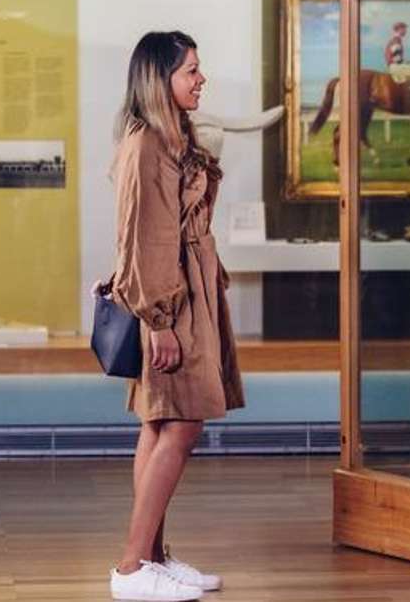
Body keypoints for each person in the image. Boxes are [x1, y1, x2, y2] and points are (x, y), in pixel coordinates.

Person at [101, 31, 244, 602]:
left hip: (189, 292)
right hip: (171, 301)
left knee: (161, 423)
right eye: (190, 70)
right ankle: (132, 567)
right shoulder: (145, 146)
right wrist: (156, 318)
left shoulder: (171, 139)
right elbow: (142, 235)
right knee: (182, 423)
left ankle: (153, 557)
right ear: (160, 79)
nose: (200, 78)